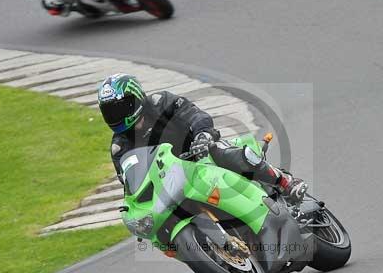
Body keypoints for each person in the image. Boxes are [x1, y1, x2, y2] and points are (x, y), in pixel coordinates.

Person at [97, 73, 309, 203]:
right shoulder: (119, 147)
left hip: (201, 151)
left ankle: (284, 182)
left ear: (136, 98)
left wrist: (203, 135)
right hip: (172, 181)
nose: (117, 116)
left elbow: (195, 114)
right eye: (110, 112)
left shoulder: (161, 102)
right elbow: (129, 182)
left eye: (121, 108)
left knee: (225, 154)